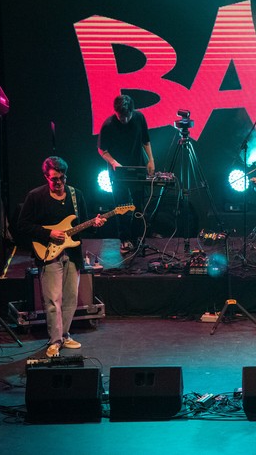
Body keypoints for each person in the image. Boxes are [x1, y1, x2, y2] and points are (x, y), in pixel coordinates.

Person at [17, 156, 106, 358]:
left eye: (61, 178)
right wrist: (48, 233)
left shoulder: (77, 195)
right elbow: (22, 225)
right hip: (48, 254)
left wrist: (95, 224)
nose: (58, 183)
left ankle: (65, 335)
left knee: (71, 298)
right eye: (54, 179)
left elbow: (82, 227)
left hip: (72, 254)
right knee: (52, 299)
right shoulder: (36, 196)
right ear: (46, 177)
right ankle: (54, 341)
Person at [97, 94, 155, 255]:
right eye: (121, 117)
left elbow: (146, 140)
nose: (124, 119)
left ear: (132, 111)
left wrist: (151, 159)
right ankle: (125, 239)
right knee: (121, 207)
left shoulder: (139, 118)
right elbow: (102, 149)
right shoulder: (108, 125)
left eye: (127, 116)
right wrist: (114, 163)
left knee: (139, 205)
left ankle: (137, 237)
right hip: (118, 172)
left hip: (137, 167)